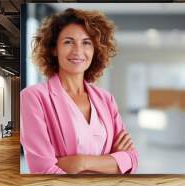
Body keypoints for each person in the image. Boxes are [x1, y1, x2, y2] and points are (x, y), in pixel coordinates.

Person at [20, 8, 139, 174]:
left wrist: (81, 162)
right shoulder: (34, 97)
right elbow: (43, 170)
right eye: (68, 42)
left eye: (86, 42)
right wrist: (111, 162)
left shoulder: (106, 99)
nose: (78, 51)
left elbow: (131, 160)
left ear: (95, 49)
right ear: (54, 49)